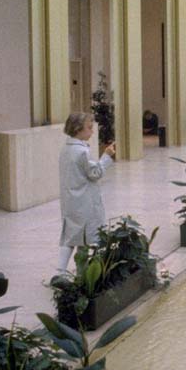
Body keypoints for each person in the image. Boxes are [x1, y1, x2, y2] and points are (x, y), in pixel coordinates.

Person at [57, 112, 116, 273]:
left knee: (71, 236)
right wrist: (106, 156)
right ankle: (85, 272)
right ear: (78, 129)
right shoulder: (81, 152)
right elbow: (95, 173)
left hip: (71, 199)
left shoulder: (66, 149)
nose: (92, 131)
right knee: (87, 236)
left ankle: (61, 271)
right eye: (89, 128)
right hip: (84, 201)